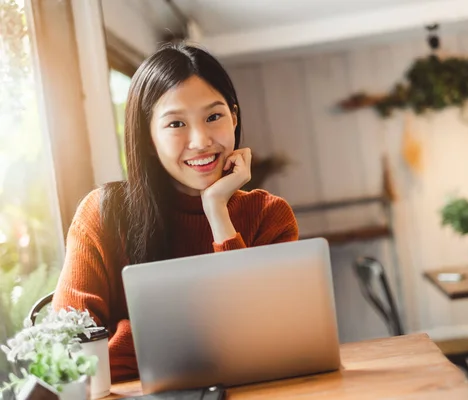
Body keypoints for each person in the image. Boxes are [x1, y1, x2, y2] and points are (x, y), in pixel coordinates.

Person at [52, 43, 299, 381]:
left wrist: (216, 211)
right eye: (175, 124)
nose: (200, 140)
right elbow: (72, 357)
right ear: (147, 138)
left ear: (235, 117)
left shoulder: (269, 216)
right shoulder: (102, 215)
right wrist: (207, 333)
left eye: (214, 117)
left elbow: (271, 342)